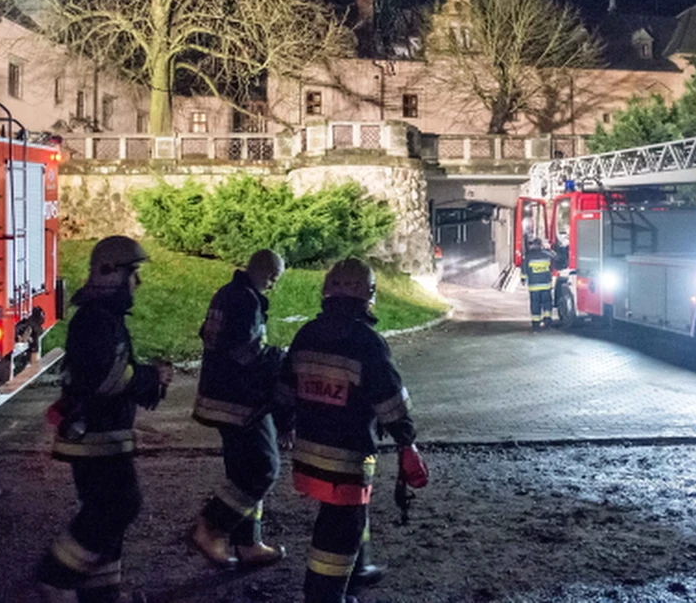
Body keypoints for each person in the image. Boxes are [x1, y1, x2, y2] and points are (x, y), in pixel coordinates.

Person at [277, 258, 429, 603]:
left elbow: (284, 391)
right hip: (346, 457)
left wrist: (284, 425)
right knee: (338, 530)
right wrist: (407, 441)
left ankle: (357, 570)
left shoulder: (306, 334)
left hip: (308, 451)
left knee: (344, 517)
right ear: (369, 294)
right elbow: (390, 401)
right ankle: (323, 596)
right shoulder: (367, 342)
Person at [37, 236, 173, 603]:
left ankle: (102, 594)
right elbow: (107, 378)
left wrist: (145, 380)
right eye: (134, 274)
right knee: (119, 507)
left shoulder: (100, 317)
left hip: (103, 435)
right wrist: (150, 377)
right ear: (112, 273)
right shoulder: (96, 322)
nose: (137, 283)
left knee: (108, 511)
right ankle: (56, 577)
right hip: (96, 438)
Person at [188, 249, 289, 568]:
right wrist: (278, 358)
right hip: (241, 401)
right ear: (266, 272)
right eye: (274, 276)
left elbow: (209, 335)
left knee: (241, 473)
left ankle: (248, 543)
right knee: (263, 467)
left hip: (218, 397)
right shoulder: (246, 300)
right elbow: (244, 351)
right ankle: (211, 527)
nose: (274, 283)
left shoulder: (226, 294)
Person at [522, 237, 556, 330]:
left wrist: (523, 279)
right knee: (547, 303)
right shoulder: (547, 254)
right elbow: (555, 261)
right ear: (541, 245)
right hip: (546, 285)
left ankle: (536, 323)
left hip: (534, 285)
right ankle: (547, 320)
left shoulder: (528, 256)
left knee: (535, 304)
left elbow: (524, 269)